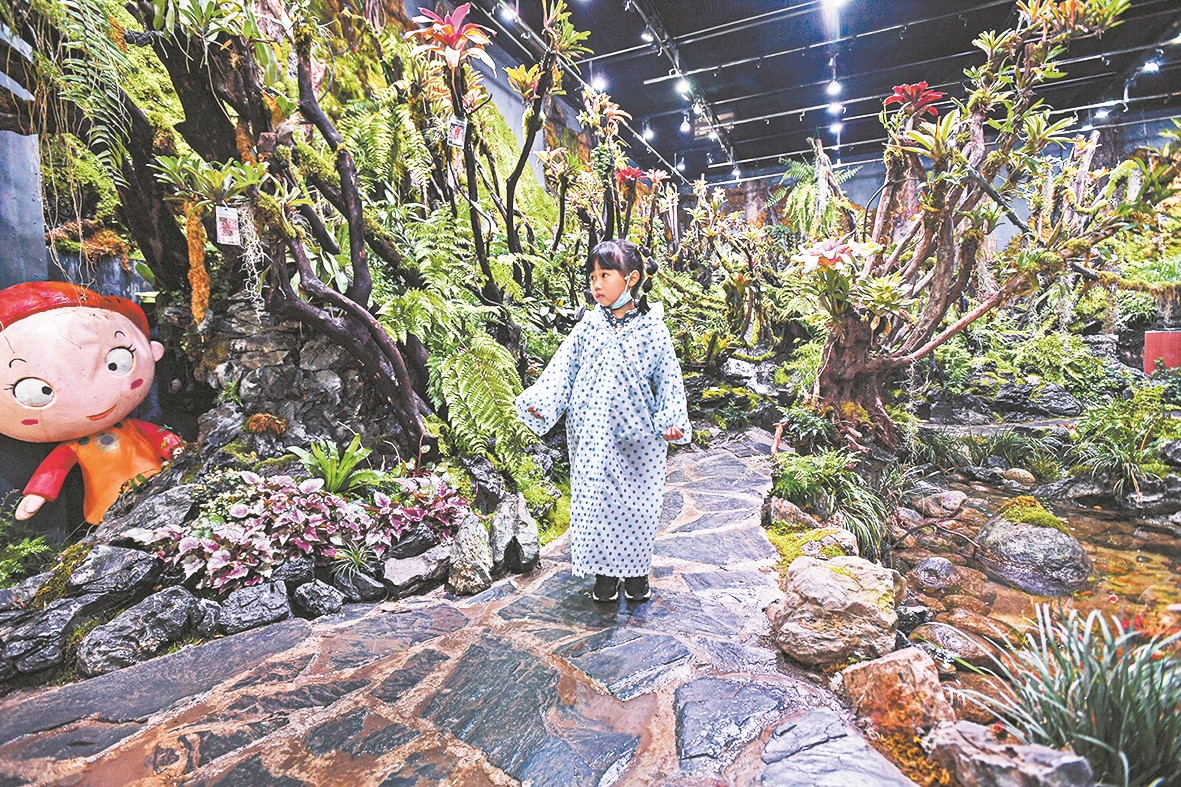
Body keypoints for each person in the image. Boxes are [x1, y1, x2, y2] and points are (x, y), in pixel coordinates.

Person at [516, 240, 691, 603]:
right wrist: (540, 404)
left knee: (638, 506)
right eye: (593, 276)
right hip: (592, 433)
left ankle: (637, 574)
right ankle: (605, 577)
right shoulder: (589, 326)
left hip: (638, 436)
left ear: (631, 279)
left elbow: (668, 378)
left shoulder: (653, 328)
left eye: (605, 275)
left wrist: (671, 419)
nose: (596, 284)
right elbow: (563, 370)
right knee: (597, 502)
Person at [0, 281, 183, 525]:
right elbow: (54, 469)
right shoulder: (75, 446)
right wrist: (37, 494)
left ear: (152, 350)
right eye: (37, 391)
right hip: (108, 505)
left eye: (117, 362)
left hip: (159, 484)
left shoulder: (133, 427)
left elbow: (159, 436)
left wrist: (176, 449)